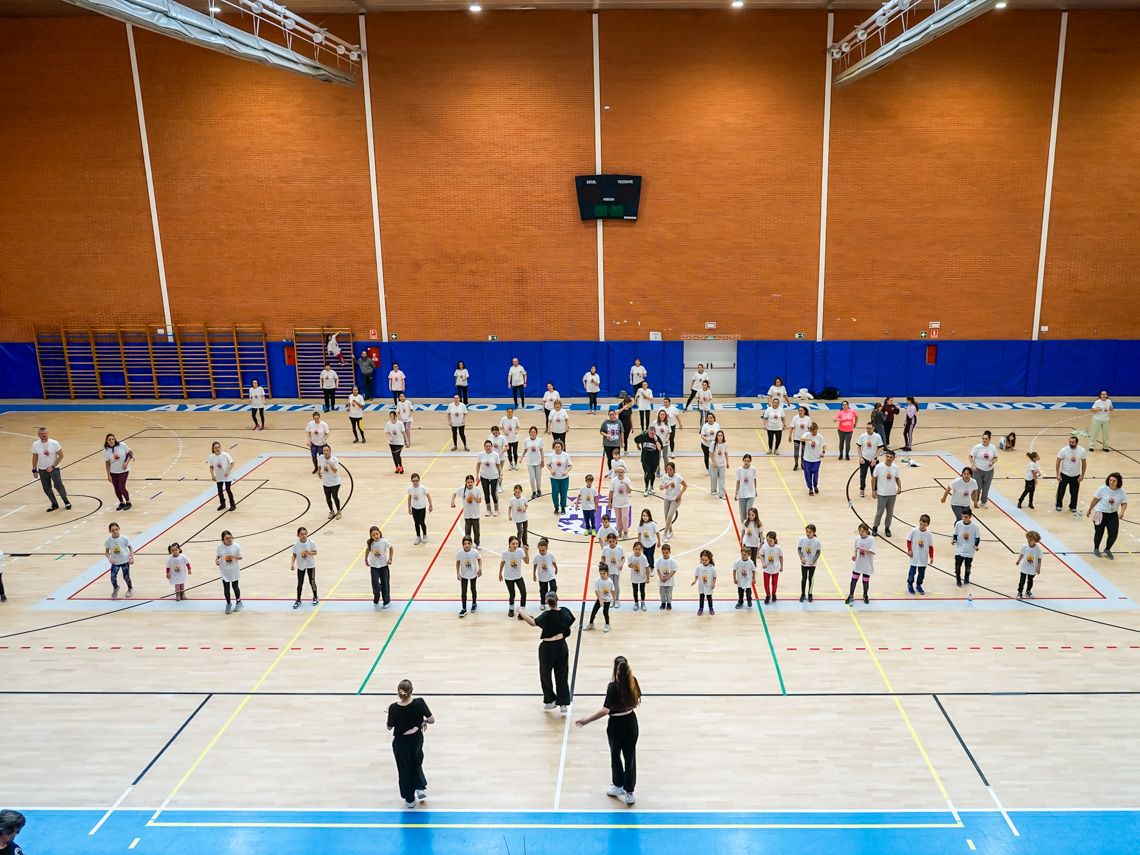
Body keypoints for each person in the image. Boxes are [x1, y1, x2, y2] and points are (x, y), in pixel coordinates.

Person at [576, 656, 642, 805]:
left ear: (615, 669)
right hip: (631, 722)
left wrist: (587, 720)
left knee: (615, 755)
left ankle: (618, 785)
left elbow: (606, 710)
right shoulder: (634, 681)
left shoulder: (613, 686)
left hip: (616, 724)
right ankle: (629, 792)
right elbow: (636, 701)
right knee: (630, 757)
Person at [518, 590, 575, 712]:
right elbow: (569, 624)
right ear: (557, 599)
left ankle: (550, 700)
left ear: (546, 601)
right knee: (562, 674)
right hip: (561, 646)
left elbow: (533, 622)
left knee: (545, 675)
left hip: (547, 648)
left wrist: (521, 612)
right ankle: (563, 703)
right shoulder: (565, 611)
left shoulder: (546, 615)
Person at [387, 679, 434, 808]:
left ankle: (409, 799)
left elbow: (389, 727)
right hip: (416, 738)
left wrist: (390, 714)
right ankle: (420, 787)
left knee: (404, 768)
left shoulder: (393, 708)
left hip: (401, 742)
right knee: (416, 762)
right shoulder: (419, 703)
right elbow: (431, 720)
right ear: (411, 691)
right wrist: (423, 721)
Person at [1088, 473, 1128, 559]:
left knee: (1113, 534)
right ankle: (1096, 548)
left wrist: (1122, 512)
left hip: (1112, 514)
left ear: (1118, 482)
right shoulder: (1102, 489)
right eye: (1110, 480)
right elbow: (1095, 500)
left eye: (1114, 481)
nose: (1111, 482)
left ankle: (1107, 549)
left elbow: (1124, 503)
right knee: (1099, 532)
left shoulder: (1121, 491)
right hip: (1100, 513)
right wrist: (1089, 509)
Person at [31, 426, 70, 512]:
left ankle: (65, 500)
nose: (44, 435)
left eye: (45, 433)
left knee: (58, 485)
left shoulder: (54, 443)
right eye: (42, 434)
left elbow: (61, 456)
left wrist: (53, 466)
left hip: (54, 469)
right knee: (46, 488)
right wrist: (34, 469)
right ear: (38, 435)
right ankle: (54, 504)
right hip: (42, 470)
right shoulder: (35, 445)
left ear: (47, 434)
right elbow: (35, 457)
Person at [871, 449, 902, 538]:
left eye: (890, 457)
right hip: (882, 493)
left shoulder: (895, 467)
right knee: (879, 512)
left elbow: (897, 478)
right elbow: (873, 478)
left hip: (892, 494)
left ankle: (887, 528)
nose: (888, 458)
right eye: (887, 456)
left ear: (893, 458)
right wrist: (873, 490)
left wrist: (899, 487)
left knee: (890, 512)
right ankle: (875, 526)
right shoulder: (879, 467)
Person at [1055, 436, 1087, 515]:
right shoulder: (1064, 450)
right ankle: (1059, 505)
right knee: (1061, 491)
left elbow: (1084, 463)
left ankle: (1073, 506)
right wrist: (1058, 474)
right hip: (1064, 474)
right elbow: (1058, 461)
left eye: (1073, 442)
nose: (1071, 444)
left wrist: (1082, 475)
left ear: (1077, 443)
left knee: (1074, 493)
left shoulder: (1082, 451)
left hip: (1076, 475)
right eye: (1070, 442)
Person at [103, 433, 134, 511]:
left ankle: (128, 502)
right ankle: (121, 502)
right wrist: (108, 475)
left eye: (112, 439)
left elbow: (130, 453)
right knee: (116, 488)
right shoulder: (106, 451)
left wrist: (126, 463)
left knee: (121, 486)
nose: (111, 441)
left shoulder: (122, 445)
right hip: (113, 472)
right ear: (106, 441)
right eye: (109, 440)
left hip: (123, 471)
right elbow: (107, 463)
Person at [290, 526, 319, 608]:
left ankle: (315, 597)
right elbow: (294, 555)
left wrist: (309, 553)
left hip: (310, 565)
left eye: (305, 534)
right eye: (302, 534)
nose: (304, 536)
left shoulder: (311, 543)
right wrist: (292, 564)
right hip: (301, 566)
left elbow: (315, 552)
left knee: (312, 581)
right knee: (300, 583)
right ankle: (298, 599)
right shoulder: (296, 545)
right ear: (298, 535)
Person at [451, 475, 484, 549]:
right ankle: (468, 544)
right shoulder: (463, 489)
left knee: (476, 531)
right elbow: (454, 493)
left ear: (474, 482)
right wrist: (452, 502)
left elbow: (479, 500)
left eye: (471, 482)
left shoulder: (477, 490)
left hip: (475, 514)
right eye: (468, 482)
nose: (470, 484)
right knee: (467, 531)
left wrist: (473, 497)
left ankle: (477, 543)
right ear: (465, 482)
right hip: (467, 514)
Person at [104, 521, 135, 599]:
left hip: (124, 561)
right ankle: (116, 588)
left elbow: (130, 548)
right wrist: (109, 559)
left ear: (119, 529)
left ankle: (130, 588)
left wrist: (132, 557)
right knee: (112, 577)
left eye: (116, 529)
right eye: (113, 530)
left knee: (126, 577)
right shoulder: (108, 540)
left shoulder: (124, 538)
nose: (115, 532)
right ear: (110, 531)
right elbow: (107, 552)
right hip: (115, 562)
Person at [215, 529, 243, 613]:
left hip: (233, 569)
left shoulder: (236, 546)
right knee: (226, 588)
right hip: (224, 570)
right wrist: (217, 560)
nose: (229, 540)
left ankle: (238, 601)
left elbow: (240, 557)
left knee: (235, 586)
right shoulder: (220, 547)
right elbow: (218, 555)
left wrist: (233, 556)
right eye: (227, 538)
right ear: (223, 539)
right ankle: (228, 603)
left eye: (230, 537)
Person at [365, 526, 394, 609]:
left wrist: (390, 558)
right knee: (375, 584)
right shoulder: (370, 543)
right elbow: (367, 550)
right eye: (373, 535)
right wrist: (366, 559)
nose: (376, 536)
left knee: (385, 584)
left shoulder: (384, 541)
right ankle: (376, 598)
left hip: (383, 566)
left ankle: (386, 601)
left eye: (377, 534)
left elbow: (391, 548)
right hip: (374, 566)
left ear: (380, 533)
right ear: (371, 536)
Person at [500, 535, 529, 615]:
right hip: (508, 577)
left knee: (523, 592)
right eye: (513, 544)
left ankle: (522, 610)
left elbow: (527, 561)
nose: (515, 545)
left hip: (518, 576)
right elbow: (502, 563)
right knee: (512, 594)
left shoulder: (520, 551)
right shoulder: (505, 553)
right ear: (509, 544)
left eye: (516, 543)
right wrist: (500, 573)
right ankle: (511, 609)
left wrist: (526, 552)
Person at [847, 523, 875, 605]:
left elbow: (873, 552)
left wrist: (864, 549)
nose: (860, 533)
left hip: (867, 564)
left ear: (867, 531)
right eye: (859, 531)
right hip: (858, 563)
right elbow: (855, 549)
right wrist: (854, 556)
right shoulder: (857, 539)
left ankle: (865, 595)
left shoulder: (871, 540)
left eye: (862, 531)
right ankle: (851, 595)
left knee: (865, 581)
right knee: (854, 579)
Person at [951, 509, 981, 587]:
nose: (964, 518)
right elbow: (955, 534)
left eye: (966, 517)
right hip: (959, 548)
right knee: (957, 566)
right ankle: (958, 579)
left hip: (969, 549)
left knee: (968, 566)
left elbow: (977, 537)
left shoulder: (974, 526)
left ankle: (966, 577)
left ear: (970, 517)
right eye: (963, 516)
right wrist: (954, 540)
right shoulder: (958, 524)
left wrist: (976, 545)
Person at [969, 431, 998, 509]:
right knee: (977, 486)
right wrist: (973, 464)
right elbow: (970, 456)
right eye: (983, 438)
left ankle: (983, 502)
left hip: (989, 471)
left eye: (986, 439)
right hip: (978, 470)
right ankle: (975, 501)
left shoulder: (992, 447)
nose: (984, 440)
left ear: (989, 439)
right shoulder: (977, 447)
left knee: (986, 487)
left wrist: (992, 462)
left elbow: (996, 457)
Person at [455, 535, 482, 617]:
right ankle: (464, 608)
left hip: (473, 574)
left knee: (473, 589)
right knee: (463, 591)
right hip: (464, 575)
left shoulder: (474, 552)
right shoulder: (460, 553)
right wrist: (458, 573)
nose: (466, 545)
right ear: (462, 544)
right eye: (465, 543)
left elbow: (479, 559)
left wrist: (480, 569)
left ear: (471, 544)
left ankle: (474, 604)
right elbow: (457, 562)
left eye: (468, 543)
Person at [906, 515, 933, 595]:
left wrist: (931, 556)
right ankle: (910, 584)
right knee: (912, 572)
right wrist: (909, 550)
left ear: (927, 525)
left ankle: (918, 585)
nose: (922, 526)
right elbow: (908, 540)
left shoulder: (929, 534)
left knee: (921, 573)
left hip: (923, 557)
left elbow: (931, 546)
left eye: (924, 525)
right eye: (921, 524)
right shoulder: (914, 531)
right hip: (914, 556)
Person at [660, 462, 687, 541]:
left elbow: (685, 485)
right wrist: (663, 487)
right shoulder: (665, 477)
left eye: (670, 470)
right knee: (666, 516)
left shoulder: (677, 477)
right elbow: (660, 487)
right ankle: (670, 531)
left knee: (669, 515)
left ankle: (665, 534)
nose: (668, 471)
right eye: (667, 469)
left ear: (674, 470)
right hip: (667, 498)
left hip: (676, 499)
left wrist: (680, 494)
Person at [633, 426, 662, 496]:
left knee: (652, 473)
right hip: (645, 459)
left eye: (653, 433)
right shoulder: (644, 436)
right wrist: (638, 446)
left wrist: (656, 441)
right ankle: (646, 488)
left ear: (655, 433)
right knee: (647, 473)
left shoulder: (657, 438)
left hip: (654, 460)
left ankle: (651, 486)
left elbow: (659, 448)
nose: (651, 435)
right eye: (650, 433)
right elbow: (636, 439)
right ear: (648, 432)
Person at [586, 563, 616, 632]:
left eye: (604, 573)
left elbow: (613, 590)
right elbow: (596, 591)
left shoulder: (610, 581)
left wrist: (614, 598)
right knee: (594, 612)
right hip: (600, 599)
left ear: (607, 572)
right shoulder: (597, 580)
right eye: (601, 573)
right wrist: (600, 600)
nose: (602, 575)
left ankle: (607, 624)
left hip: (607, 600)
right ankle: (591, 623)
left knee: (605, 613)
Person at [208, 441, 236, 512]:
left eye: (218, 447)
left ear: (220, 447)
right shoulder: (212, 457)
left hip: (227, 476)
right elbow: (211, 466)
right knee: (219, 491)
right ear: (213, 449)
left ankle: (232, 504)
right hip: (219, 476)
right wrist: (212, 475)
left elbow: (232, 463)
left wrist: (228, 470)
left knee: (228, 489)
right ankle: (222, 504)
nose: (217, 449)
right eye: (215, 448)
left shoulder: (225, 455)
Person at [857, 424, 883, 498]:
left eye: (870, 428)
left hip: (873, 460)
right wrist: (860, 457)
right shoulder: (863, 436)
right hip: (864, 459)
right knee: (862, 476)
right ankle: (862, 489)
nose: (868, 430)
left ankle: (875, 490)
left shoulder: (877, 437)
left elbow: (880, 448)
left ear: (873, 428)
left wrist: (875, 458)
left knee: (874, 476)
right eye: (867, 428)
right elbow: (858, 446)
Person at [1015, 531, 1044, 600]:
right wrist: (1018, 560)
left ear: (1035, 540)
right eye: (1028, 539)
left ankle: (1028, 591)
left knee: (1030, 580)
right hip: (1024, 566)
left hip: (1032, 567)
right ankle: (1020, 592)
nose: (1029, 541)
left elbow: (1039, 559)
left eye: (1031, 540)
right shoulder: (1025, 546)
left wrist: (1039, 568)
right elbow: (1021, 554)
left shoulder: (1038, 549)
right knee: (1022, 580)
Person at [800, 422, 826, 497]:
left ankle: (815, 485)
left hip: (816, 459)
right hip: (807, 459)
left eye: (816, 431)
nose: (815, 433)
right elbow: (801, 439)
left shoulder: (820, 437)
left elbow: (824, 445)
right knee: (808, 474)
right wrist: (810, 439)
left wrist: (823, 452)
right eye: (813, 432)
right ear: (811, 431)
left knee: (816, 474)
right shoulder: (807, 435)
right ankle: (810, 488)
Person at [600, 532, 626, 608]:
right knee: (610, 585)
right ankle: (611, 599)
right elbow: (602, 557)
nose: (612, 543)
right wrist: (603, 564)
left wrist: (621, 564)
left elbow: (623, 558)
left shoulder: (619, 548)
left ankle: (617, 599)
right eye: (610, 541)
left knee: (616, 584)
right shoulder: (605, 549)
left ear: (616, 540)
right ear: (607, 541)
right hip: (609, 570)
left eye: (613, 541)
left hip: (617, 569)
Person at [546, 440, 572, 515]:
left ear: (561, 447)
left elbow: (570, 465)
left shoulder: (566, 455)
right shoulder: (551, 455)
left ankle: (563, 507)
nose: (557, 448)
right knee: (555, 493)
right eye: (556, 447)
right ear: (554, 447)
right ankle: (556, 507)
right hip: (554, 478)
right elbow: (548, 464)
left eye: (558, 447)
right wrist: (551, 470)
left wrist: (566, 471)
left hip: (564, 478)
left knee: (563, 493)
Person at [477, 440, 502, 516]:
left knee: (493, 493)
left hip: (494, 476)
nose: (488, 447)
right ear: (484, 447)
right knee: (486, 493)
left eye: (489, 446)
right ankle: (488, 509)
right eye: (486, 446)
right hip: (484, 476)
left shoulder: (495, 455)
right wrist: (477, 475)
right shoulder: (481, 454)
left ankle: (496, 509)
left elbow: (498, 465)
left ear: (492, 447)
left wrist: (501, 475)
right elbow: (478, 465)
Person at [609, 465, 633, 540]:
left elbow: (629, 491)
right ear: (616, 473)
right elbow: (611, 491)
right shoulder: (614, 481)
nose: (620, 473)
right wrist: (609, 502)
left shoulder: (627, 480)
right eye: (618, 472)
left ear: (624, 472)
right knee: (618, 518)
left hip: (625, 502)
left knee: (625, 517)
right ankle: (619, 530)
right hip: (616, 502)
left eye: (621, 472)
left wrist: (626, 485)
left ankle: (625, 531)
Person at [798, 524, 821, 603]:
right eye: (807, 531)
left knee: (811, 579)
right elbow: (799, 549)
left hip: (812, 564)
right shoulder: (802, 539)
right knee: (804, 578)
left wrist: (813, 561)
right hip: (804, 563)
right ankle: (803, 594)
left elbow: (818, 552)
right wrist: (801, 557)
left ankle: (810, 594)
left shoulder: (817, 541)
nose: (808, 533)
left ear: (814, 532)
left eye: (810, 532)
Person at [532, 538, 560, 604]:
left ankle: (552, 600)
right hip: (542, 576)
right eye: (540, 550)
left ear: (546, 548)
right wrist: (534, 574)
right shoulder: (537, 556)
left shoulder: (550, 555)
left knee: (554, 587)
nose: (541, 552)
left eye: (543, 550)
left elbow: (553, 562)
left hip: (550, 575)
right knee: (543, 590)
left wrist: (556, 569)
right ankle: (543, 603)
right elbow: (535, 565)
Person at [407, 473, 432, 545]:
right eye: (413, 481)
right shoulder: (410, 489)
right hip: (414, 508)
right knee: (416, 523)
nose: (415, 482)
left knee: (421, 522)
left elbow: (428, 496)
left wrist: (430, 505)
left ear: (419, 480)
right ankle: (418, 536)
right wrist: (409, 508)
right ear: (411, 481)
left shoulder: (422, 488)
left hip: (422, 507)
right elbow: (409, 498)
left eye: (416, 481)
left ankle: (425, 535)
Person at [759, 530, 783, 604]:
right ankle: (767, 595)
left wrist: (781, 566)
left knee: (774, 584)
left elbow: (781, 557)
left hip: (775, 568)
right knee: (766, 584)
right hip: (766, 569)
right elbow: (761, 555)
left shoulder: (778, 548)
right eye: (767, 540)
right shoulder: (764, 547)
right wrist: (763, 563)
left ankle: (774, 594)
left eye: (770, 541)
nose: (768, 542)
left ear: (774, 540)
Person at [319, 446, 343, 519]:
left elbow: (335, 470)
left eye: (327, 450)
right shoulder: (321, 457)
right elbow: (319, 465)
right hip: (326, 482)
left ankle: (339, 511)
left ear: (330, 451)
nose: (325, 452)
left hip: (335, 482)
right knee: (328, 497)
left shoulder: (334, 459)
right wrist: (318, 472)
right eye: (324, 450)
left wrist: (330, 464)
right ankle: (331, 511)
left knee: (335, 496)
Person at [691, 549, 717, 615]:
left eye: (706, 560)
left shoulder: (712, 568)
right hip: (701, 586)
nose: (704, 561)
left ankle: (711, 608)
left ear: (709, 559)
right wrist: (694, 581)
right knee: (701, 597)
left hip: (709, 586)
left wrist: (713, 583)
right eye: (703, 560)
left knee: (709, 597)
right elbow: (696, 575)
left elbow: (715, 576)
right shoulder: (699, 567)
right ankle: (700, 608)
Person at [734, 453, 758, 522]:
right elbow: (738, 481)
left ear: (750, 461)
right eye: (745, 460)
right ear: (743, 460)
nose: (746, 462)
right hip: (742, 493)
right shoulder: (739, 470)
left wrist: (755, 490)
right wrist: (736, 493)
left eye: (748, 461)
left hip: (751, 493)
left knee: (749, 511)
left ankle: (749, 525)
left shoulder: (753, 469)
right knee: (742, 513)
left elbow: (754, 480)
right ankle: (743, 525)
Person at [523, 426, 545, 500]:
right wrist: (521, 457)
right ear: (529, 433)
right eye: (532, 432)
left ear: (536, 433)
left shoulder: (539, 440)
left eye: (534, 432)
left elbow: (541, 451)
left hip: (538, 462)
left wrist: (542, 460)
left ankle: (539, 490)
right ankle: (534, 491)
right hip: (530, 462)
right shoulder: (526, 440)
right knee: (532, 478)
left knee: (538, 477)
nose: (533, 433)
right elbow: (525, 450)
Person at [789, 406, 812, 472]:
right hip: (796, 437)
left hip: (804, 438)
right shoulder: (795, 418)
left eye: (801, 410)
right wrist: (790, 436)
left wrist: (810, 437)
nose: (800, 411)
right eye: (799, 410)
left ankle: (802, 464)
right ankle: (796, 464)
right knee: (796, 453)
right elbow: (791, 427)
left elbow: (810, 428)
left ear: (804, 411)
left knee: (803, 452)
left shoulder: (807, 418)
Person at [656, 542, 678, 610]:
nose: (665, 554)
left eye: (666, 553)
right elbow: (658, 570)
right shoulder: (659, 560)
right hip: (662, 581)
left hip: (669, 582)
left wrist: (667, 577)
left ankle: (669, 603)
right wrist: (661, 577)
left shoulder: (672, 561)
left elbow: (674, 571)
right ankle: (663, 603)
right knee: (662, 593)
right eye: (663, 553)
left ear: (669, 552)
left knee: (669, 594)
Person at [651, 409, 672, 476]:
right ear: (659, 415)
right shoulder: (655, 422)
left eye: (663, 415)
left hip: (665, 443)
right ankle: (657, 471)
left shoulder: (667, 423)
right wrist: (655, 438)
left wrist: (667, 438)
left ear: (665, 415)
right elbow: (652, 432)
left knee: (665, 457)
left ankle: (667, 471)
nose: (662, 416)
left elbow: (669, 432)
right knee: (658, 457)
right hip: (657, 443)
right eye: (661, 414)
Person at [709, 430, 729, 499]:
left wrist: (727, 462)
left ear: (723, 436)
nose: (720, 437)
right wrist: (714, 462)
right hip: (713, 464)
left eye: (721, 435)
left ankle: (722, 494)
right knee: (713, 478)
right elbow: (710, 454)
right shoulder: (713, 444)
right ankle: (713, 490)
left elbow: (726, 453)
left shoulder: (725, 444)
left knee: (722, 479)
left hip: (722, 464)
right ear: (716, 436)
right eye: (719, 435)